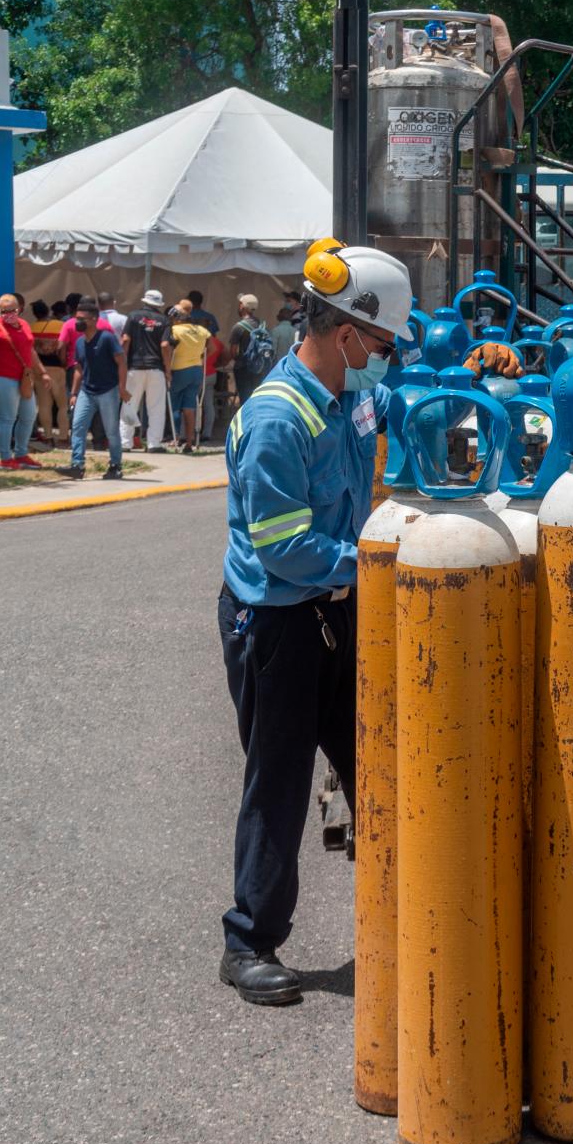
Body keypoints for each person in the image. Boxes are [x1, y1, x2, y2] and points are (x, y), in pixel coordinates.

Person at [217, 239, 411, 1005]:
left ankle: (408, 915)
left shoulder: (350, 394)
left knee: (380, 762)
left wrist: (461, 381)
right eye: (385, 347)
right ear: (347, 336)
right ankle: (248, 941)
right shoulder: (279, 417)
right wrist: (378, 560)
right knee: (281, 780)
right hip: (279, 624)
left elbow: (399, 405)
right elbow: (286, 548)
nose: (386, 360)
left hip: (338, 609)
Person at [0, 292, 50, 469]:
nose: (7, 314)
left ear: (19, 309)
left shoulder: (24, 325)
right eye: (3, 311)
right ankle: (5, 459)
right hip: (2, 379)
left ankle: (21, 454)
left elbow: (30, 351)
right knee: (7, 418)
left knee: (28, 417)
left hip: (24, 379)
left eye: (11, 310)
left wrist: (43, 373)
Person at [61, 297, 127, 481]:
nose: (77, 322)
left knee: (111, 430)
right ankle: (77, 465)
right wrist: (74, 393)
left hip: (108, 390)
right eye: (76, 318)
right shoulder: (80, 342)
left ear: (94, 319)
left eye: (81, 319)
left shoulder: (107, 338)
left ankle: (115, 466)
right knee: (78, 426)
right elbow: (78, 369)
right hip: (86, 391)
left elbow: (122, 363)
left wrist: (122, 388)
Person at [122, 289, 172, 451]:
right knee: (156, 408)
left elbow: (125, 340)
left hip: (134, 367)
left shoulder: (133, 316)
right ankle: (154, 444)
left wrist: (122, 364)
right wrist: (168, 370)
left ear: (144, 301)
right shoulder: (164, 320)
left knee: (129, 405)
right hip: (156, 368)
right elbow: (165, 345)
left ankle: (125, 442)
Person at [165, 299, 210, 452]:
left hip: (179, 369)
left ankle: (176, 437)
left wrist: (167, 369)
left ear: (176, 318)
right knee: (190, 406)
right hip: (196, 369)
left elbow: (168, 348)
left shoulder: (175, 330)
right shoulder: (202, 330)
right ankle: (190, 442)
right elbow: (210, 347)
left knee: (175, 406)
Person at [30, 300, 70, 444]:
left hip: (39, 369)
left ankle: (47, 437)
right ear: (47, 311)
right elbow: (63, 347)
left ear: (34, 314)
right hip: (57, 368)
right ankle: (63, 437)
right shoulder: (60, 325)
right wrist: (64, 363)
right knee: (62, 405)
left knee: (44, 405)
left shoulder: (31, 327)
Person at [228, 293, 275, 414]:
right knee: (257, 397)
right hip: (260, 367)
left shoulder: (238, 327)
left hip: (243, 368)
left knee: (245, 399)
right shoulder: (263, 325)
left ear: (242, 306)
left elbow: (232, 352)